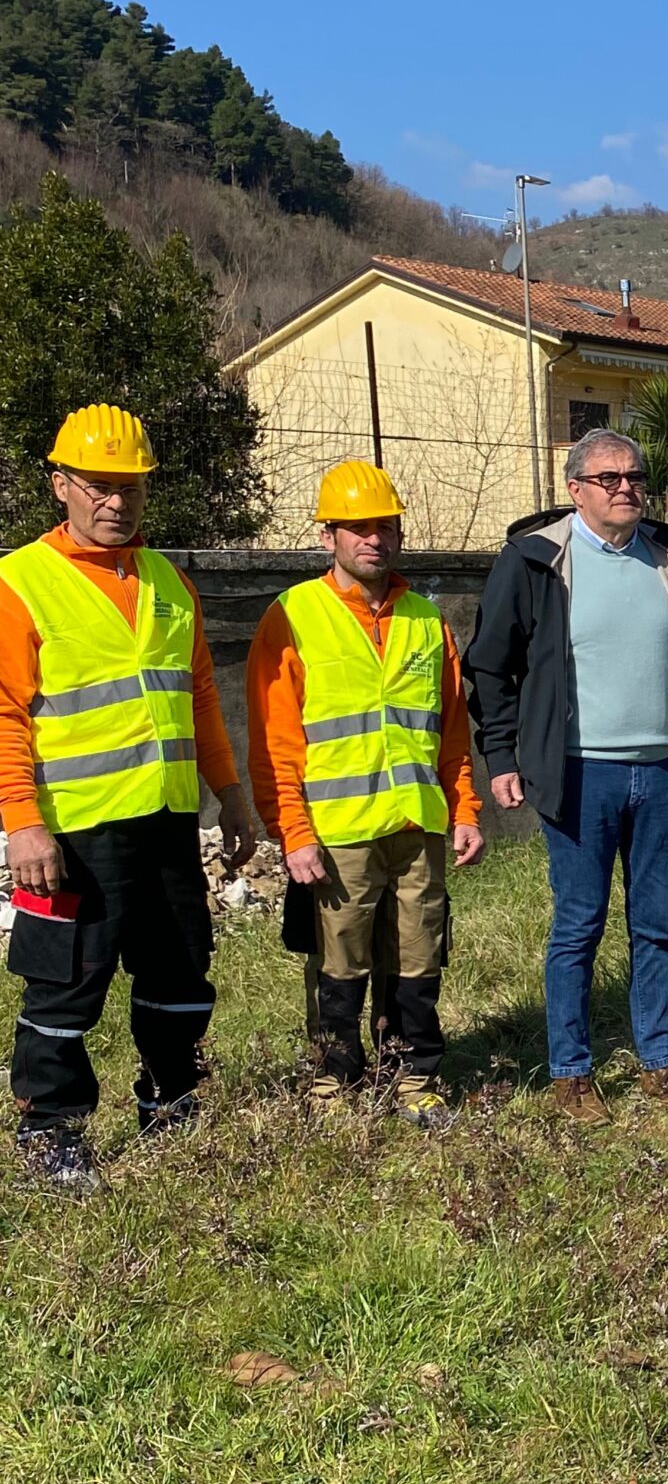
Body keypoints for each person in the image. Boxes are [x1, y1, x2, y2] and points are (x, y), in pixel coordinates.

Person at [1, 405, 258, 1192]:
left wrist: (232, 797)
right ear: (61, 486)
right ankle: (51, 1133)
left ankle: (172, 1106)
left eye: (132, 487)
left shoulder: (168, 582)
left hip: (170, 824)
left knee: (180, 969)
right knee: (65, 984)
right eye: (99, 486)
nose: (117, 502)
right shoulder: (20, 582)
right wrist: (21, 825)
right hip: (72, 834)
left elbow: (200, 698)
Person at [463, 429, 668, 1126]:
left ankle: (661, 1062)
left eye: (636, 477)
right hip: (579, 773)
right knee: (579, 926)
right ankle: (571, 1073)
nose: (627, 489)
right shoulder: (536, 559)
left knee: (657, 925)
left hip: (662, 771)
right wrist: (504, 756)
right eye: (610, 479)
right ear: (575, 488)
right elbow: (489, 665)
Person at [245, 461, 485, 1127]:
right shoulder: (292, 617)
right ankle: (334, 1086)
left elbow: (450, 731)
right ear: (328, 536)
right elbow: (275, 741)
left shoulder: (426, 620)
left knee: (419, 960)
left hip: (416, 828)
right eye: (358, 528)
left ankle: (414, 1081)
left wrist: (464, 808)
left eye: (386, 527)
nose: (374, 540)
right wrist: (292, 831)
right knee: (339, 965)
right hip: (337, 832)